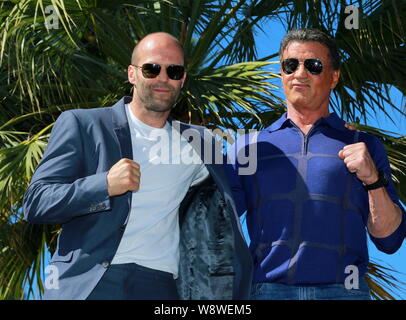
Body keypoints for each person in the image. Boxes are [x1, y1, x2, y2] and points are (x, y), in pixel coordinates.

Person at [23, 32, 253, 300]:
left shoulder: (200, 143)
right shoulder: (83, 124)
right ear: (132, 74)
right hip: (92, 282)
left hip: (161, 285)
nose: (163, 78)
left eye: (174, 70)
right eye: (152, 68)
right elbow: (36, 201)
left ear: (183, 80)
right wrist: (104, 185)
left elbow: (229, 200)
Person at [225, 29, 406, 300]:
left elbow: (389, 239)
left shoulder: (363, 144)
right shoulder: (248, 147)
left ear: (334, 77)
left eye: (313, 65)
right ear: (282, 74)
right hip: (267, 291)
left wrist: (373, 180)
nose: (300, 73)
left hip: (345, 292)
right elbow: (215, 223)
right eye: (291, 65)